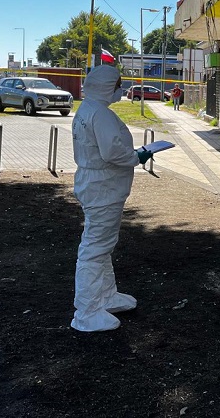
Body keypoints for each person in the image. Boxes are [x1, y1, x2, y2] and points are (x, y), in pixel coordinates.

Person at [70, 64, 154, 332]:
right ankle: (87, 311)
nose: (120, 89)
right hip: (103, 188)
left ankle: (105, 295)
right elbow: (113, 153)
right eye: (117, 85)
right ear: (108, 87)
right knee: (95, 247)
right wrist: (137, 157)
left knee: (103, 244)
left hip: (97, 185)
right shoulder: (101, 114)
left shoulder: (87, 109)